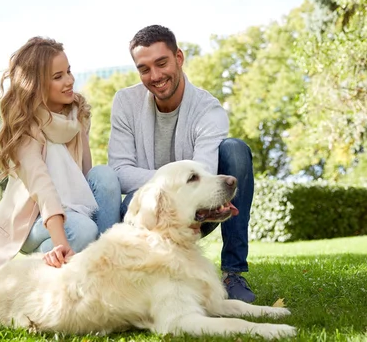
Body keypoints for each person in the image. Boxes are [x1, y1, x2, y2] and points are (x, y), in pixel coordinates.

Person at [107, 24, 256, 302]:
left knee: (235, 150)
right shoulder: (125, 102)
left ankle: (233, 273)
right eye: (144, 69)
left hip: (200, 207)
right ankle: (148, 278)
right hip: (150, 211)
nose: (155, 76)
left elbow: (205, 173)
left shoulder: (208, 109)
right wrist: (171, 185)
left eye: (161, 63)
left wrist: (173, 185)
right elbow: (119, 172)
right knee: (132, 204)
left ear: (179, 57)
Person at [0, 37, 121, 283]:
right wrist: (61, 243)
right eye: (58, 76)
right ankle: (51, 258)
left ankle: (108, 270)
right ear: (36, 85)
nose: (69, 80)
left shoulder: (76, 116)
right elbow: (43, 188)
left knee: (105, 175)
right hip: (34, 218)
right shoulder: (26, 130)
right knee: (82, 230)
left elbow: (85, 176)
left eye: (68, 71)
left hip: (75, 209)